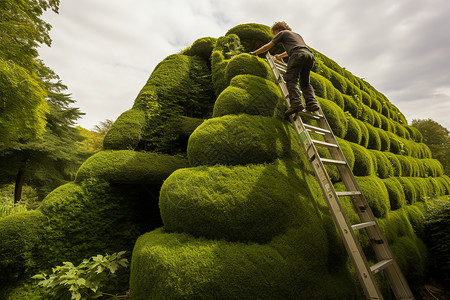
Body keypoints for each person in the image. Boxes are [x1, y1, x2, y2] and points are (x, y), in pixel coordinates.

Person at [250, 21, 319, 116]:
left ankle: (296, 103)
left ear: (278, 29)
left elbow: (268, 46)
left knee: (290, 79)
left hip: (297, 55)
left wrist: (254, 53)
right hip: (309, 56)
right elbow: (295, 49)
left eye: (274, 33)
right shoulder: (296, 35)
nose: (275, 35)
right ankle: (312, 103)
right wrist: (280, 56)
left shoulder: (282, 33)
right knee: (305, 83)